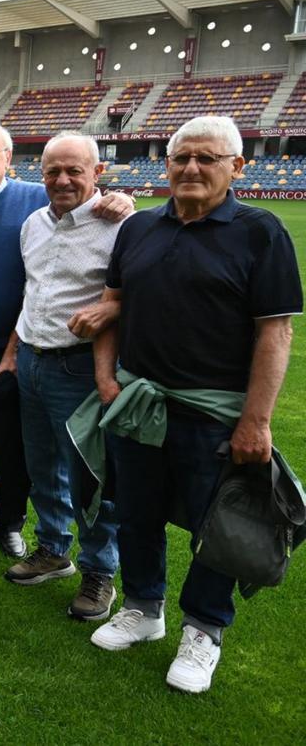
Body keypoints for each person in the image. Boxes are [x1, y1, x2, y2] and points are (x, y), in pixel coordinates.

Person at [87, 116, 301, 694]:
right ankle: (143, 608)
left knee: (217, 525)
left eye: (207, 159)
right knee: (135, 512)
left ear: (237, 166)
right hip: (137, 403)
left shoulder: (261, 233)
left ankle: (204, 630)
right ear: (167, 163)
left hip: (213, 411)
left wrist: (255, 421)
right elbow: (112, 306)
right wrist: (108, 381)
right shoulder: (138, 229)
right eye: (182, 157)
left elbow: (275, 334)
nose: (191, 168)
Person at [0, 120, 131, 555]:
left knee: (13, 448)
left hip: (13, 351)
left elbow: (85, 199)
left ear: (8, 159)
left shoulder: (38, 199)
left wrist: (124, 198)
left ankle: (8, 522)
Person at [4, 132, 123, 622]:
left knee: (89, 477)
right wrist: (13, 352)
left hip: (79, 369)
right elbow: (33, 292)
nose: (63, 179)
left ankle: (100, 571)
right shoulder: (33, 223)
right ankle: (54, 548)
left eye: (75, 170)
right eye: (53, 170)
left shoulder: (121, 225)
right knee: (41, 467)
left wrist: (109, 309)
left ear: (98, 173)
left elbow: (143, 294)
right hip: (32, 359)